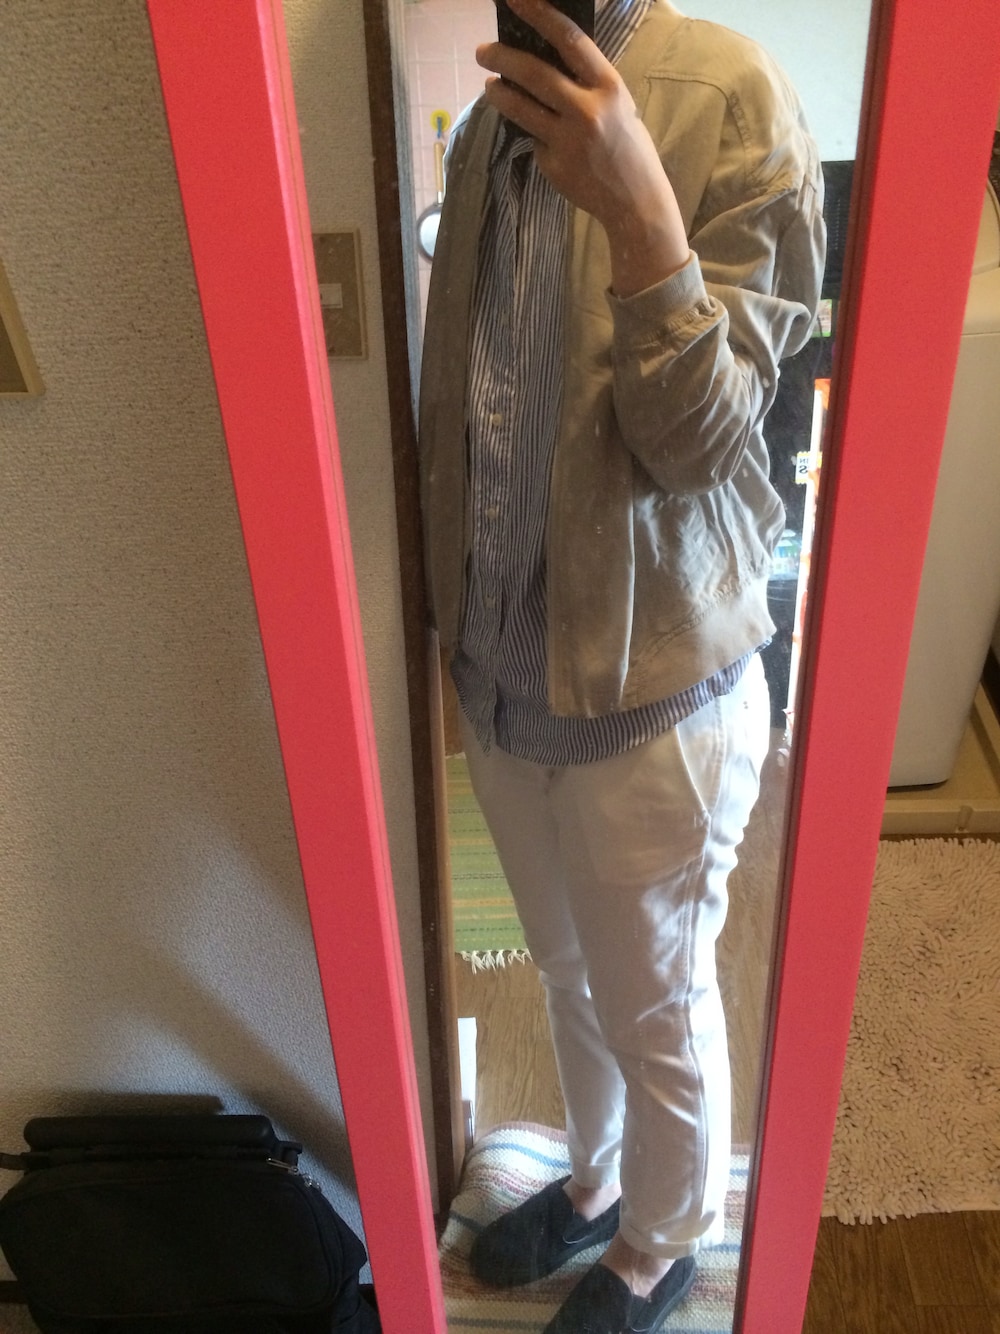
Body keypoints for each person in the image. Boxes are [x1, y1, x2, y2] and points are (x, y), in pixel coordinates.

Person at [418, 0, 826, 1329]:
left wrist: (643, 210)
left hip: (657, 695)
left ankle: (662, 1241)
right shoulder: (485, 126)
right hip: (505, 677)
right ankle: (598, 1183)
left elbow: (707, 446)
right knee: (565, 968)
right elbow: (464, 401)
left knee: (658, 1000)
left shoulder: (733, 97)